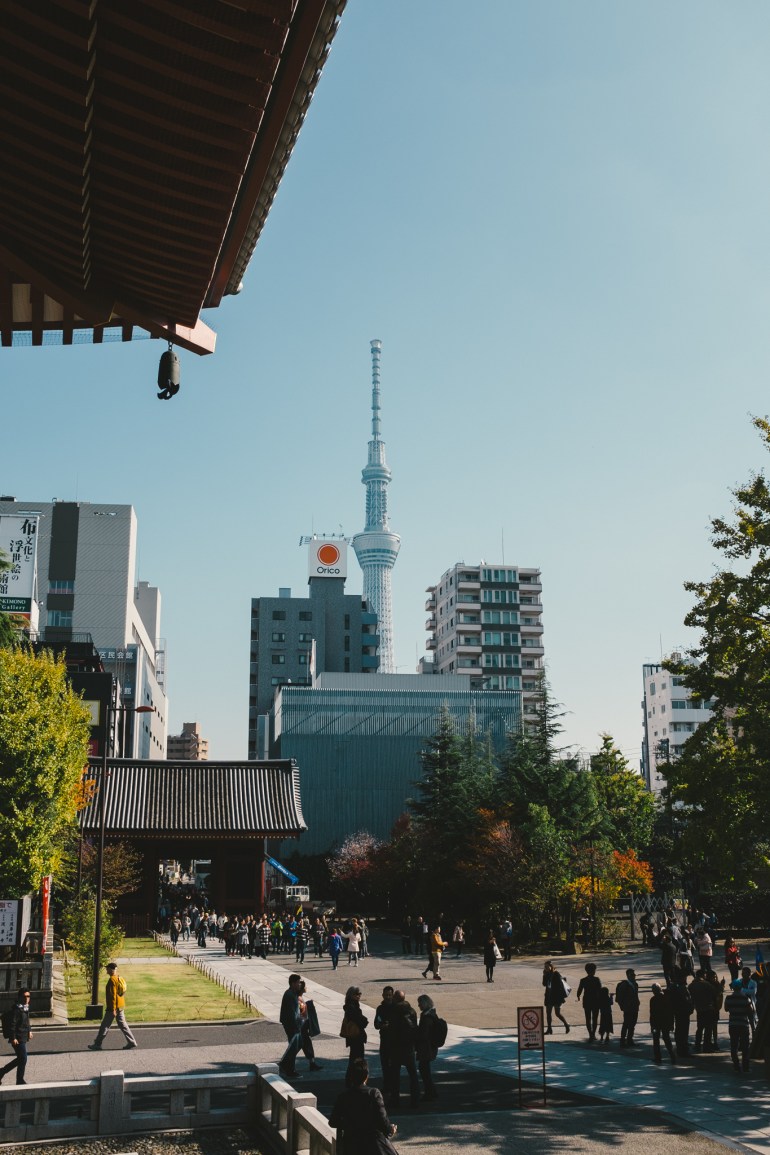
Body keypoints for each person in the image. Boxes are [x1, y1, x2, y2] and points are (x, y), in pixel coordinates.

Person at [329, 1057, 398, 1155]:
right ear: (366, 1076)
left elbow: (333, 1122)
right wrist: (390, 1129)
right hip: (373, 1144)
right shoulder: (373, 1093)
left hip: (351, 1144)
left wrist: (350, 1125)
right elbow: (382, 1119)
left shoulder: (343, 1097)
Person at [88, 963, 138, 1051]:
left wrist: (113, 1009)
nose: (106, 970)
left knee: (104, 1026)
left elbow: (113, 996)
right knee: (123, 1025)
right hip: (121, 1005)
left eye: (107, 969)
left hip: (113, 1008)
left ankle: (97, 1044)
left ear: (111, 969)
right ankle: (131, 1042)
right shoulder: (119, 978)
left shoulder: (112, 980)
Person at [386, 990, 420, 1109]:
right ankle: (415, 1099)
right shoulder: (411, 1011)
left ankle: (395, 1099)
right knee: (413, 1075)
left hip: (396, 1047)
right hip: (409, 1047)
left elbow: (392, 1031)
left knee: (395, 1075)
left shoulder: (394, 1011)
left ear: (395, 998)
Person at [0, 988, 32, 1085]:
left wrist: (29, 1031)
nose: (27, 998)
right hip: (17, 1037)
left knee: (21, 1058)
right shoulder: (17, 1009)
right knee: (23, 1058)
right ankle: (19, 1080)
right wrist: (13, 1038)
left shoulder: (25, 1007)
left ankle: (2, 1072)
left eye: (28, 996)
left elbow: (27, 1020)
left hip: (23, 1035)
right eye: (25, 996)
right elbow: (12, 1025)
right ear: (20, 997)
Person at [724, 979, 753, 1073]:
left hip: (733, 1024)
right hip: (743, 1024)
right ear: (741, 987)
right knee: (745, 1047)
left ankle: (736, 1065)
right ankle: (746, 1066)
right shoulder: (746, 999)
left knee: (734, 1046)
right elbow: (751, 1011)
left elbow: (726, 1009)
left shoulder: (728, 998)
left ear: (733, 988)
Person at [342, 985, 368, 1085]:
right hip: (356, 1036)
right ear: (351, 995)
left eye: (360, 994)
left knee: (354, 1057)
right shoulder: (352, 1006)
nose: (359, 996)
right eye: (357, 994)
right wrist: (364, 1020)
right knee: (357, 1058)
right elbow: (358, 1019)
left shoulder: (351, 1005)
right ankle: (354, 1079)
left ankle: (352, 1079)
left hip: (354, 1036)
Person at [416, 993, 439, 1101]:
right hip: (430, 1047)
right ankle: (431, 1091)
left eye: (420, 1003)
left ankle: (430, 1092)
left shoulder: (426, 1017)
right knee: (425, 1070)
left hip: (426, 1047)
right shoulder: (432, 1014)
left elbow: (423, 1034)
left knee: (424, 1070)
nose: (418, 1006)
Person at [374, 986, 396, 1097]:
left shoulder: (396, 1007)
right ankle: (387, 1086)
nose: (388, 997)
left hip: (394, 1040)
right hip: (384, 1039)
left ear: (393, 995)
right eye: (386, 995)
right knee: (385, 1064)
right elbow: (376, 1024)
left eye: (390, 995)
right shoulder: (380, 1008)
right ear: (382, 995)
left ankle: (393, 1086)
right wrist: (381, 1025)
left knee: (393, 1065)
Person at [649, 983, 676, 1065]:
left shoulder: (653, 999)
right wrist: (671, 1024)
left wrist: (652, 1025)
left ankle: (658, 1058)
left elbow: (652, 1013)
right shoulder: (666, 998)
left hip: (657, 1023)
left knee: (656, 1040)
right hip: (665, 1022)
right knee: (666, 1040)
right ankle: (672, 1056)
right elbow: (671, 1013)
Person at [542, 960, 570, 1034]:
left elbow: (560, 985)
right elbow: (544, 984)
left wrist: (550, 976)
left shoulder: (556, 974)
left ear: (551, 967)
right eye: (545, 967)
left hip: (556, 997)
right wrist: (544, 975)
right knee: (548, 1013)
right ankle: (549, 1029)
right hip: (548, 996)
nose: (546, 968)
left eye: (547, 966)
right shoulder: (546, 974)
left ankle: (566, 1024)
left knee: (557, 1013)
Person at [577, 962, 602, 1042]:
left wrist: (578, 997)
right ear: (593, 971)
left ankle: (590, 1034)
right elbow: (600, 990)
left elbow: (579, 991)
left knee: (588, 1018)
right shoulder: (597, 979)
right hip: (596, 1001)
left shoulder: (583, 980)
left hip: (587, 1001)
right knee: (595, 1018)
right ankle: (593, 1034)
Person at [615, 968, 639, 1046]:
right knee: (626, 1024)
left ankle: (630, 1040)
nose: (634, 976)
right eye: (632, 975)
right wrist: (623, 1006)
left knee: (633, 1024)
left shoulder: (635, 984)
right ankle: (622, 1041)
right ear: (628, 976)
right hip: (628, 1008)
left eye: (634, 975)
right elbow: (619, 998)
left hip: (635, 1007)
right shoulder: (624, 985)